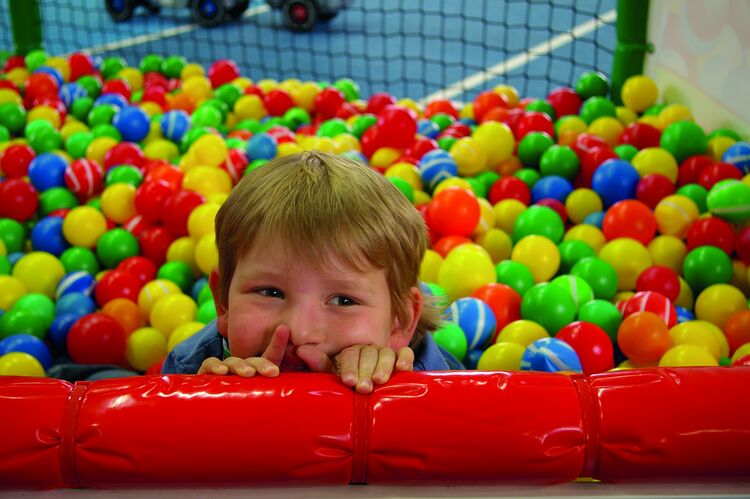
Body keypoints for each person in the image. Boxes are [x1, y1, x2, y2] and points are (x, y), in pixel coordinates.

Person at [162, 151, 463, 392]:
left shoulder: (444, 385)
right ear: (223, 302)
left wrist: (391, 398)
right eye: (271, 292)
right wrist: (210, 418)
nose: (300, 332)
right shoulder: (191, 372)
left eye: (343, 300)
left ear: (401, 320)